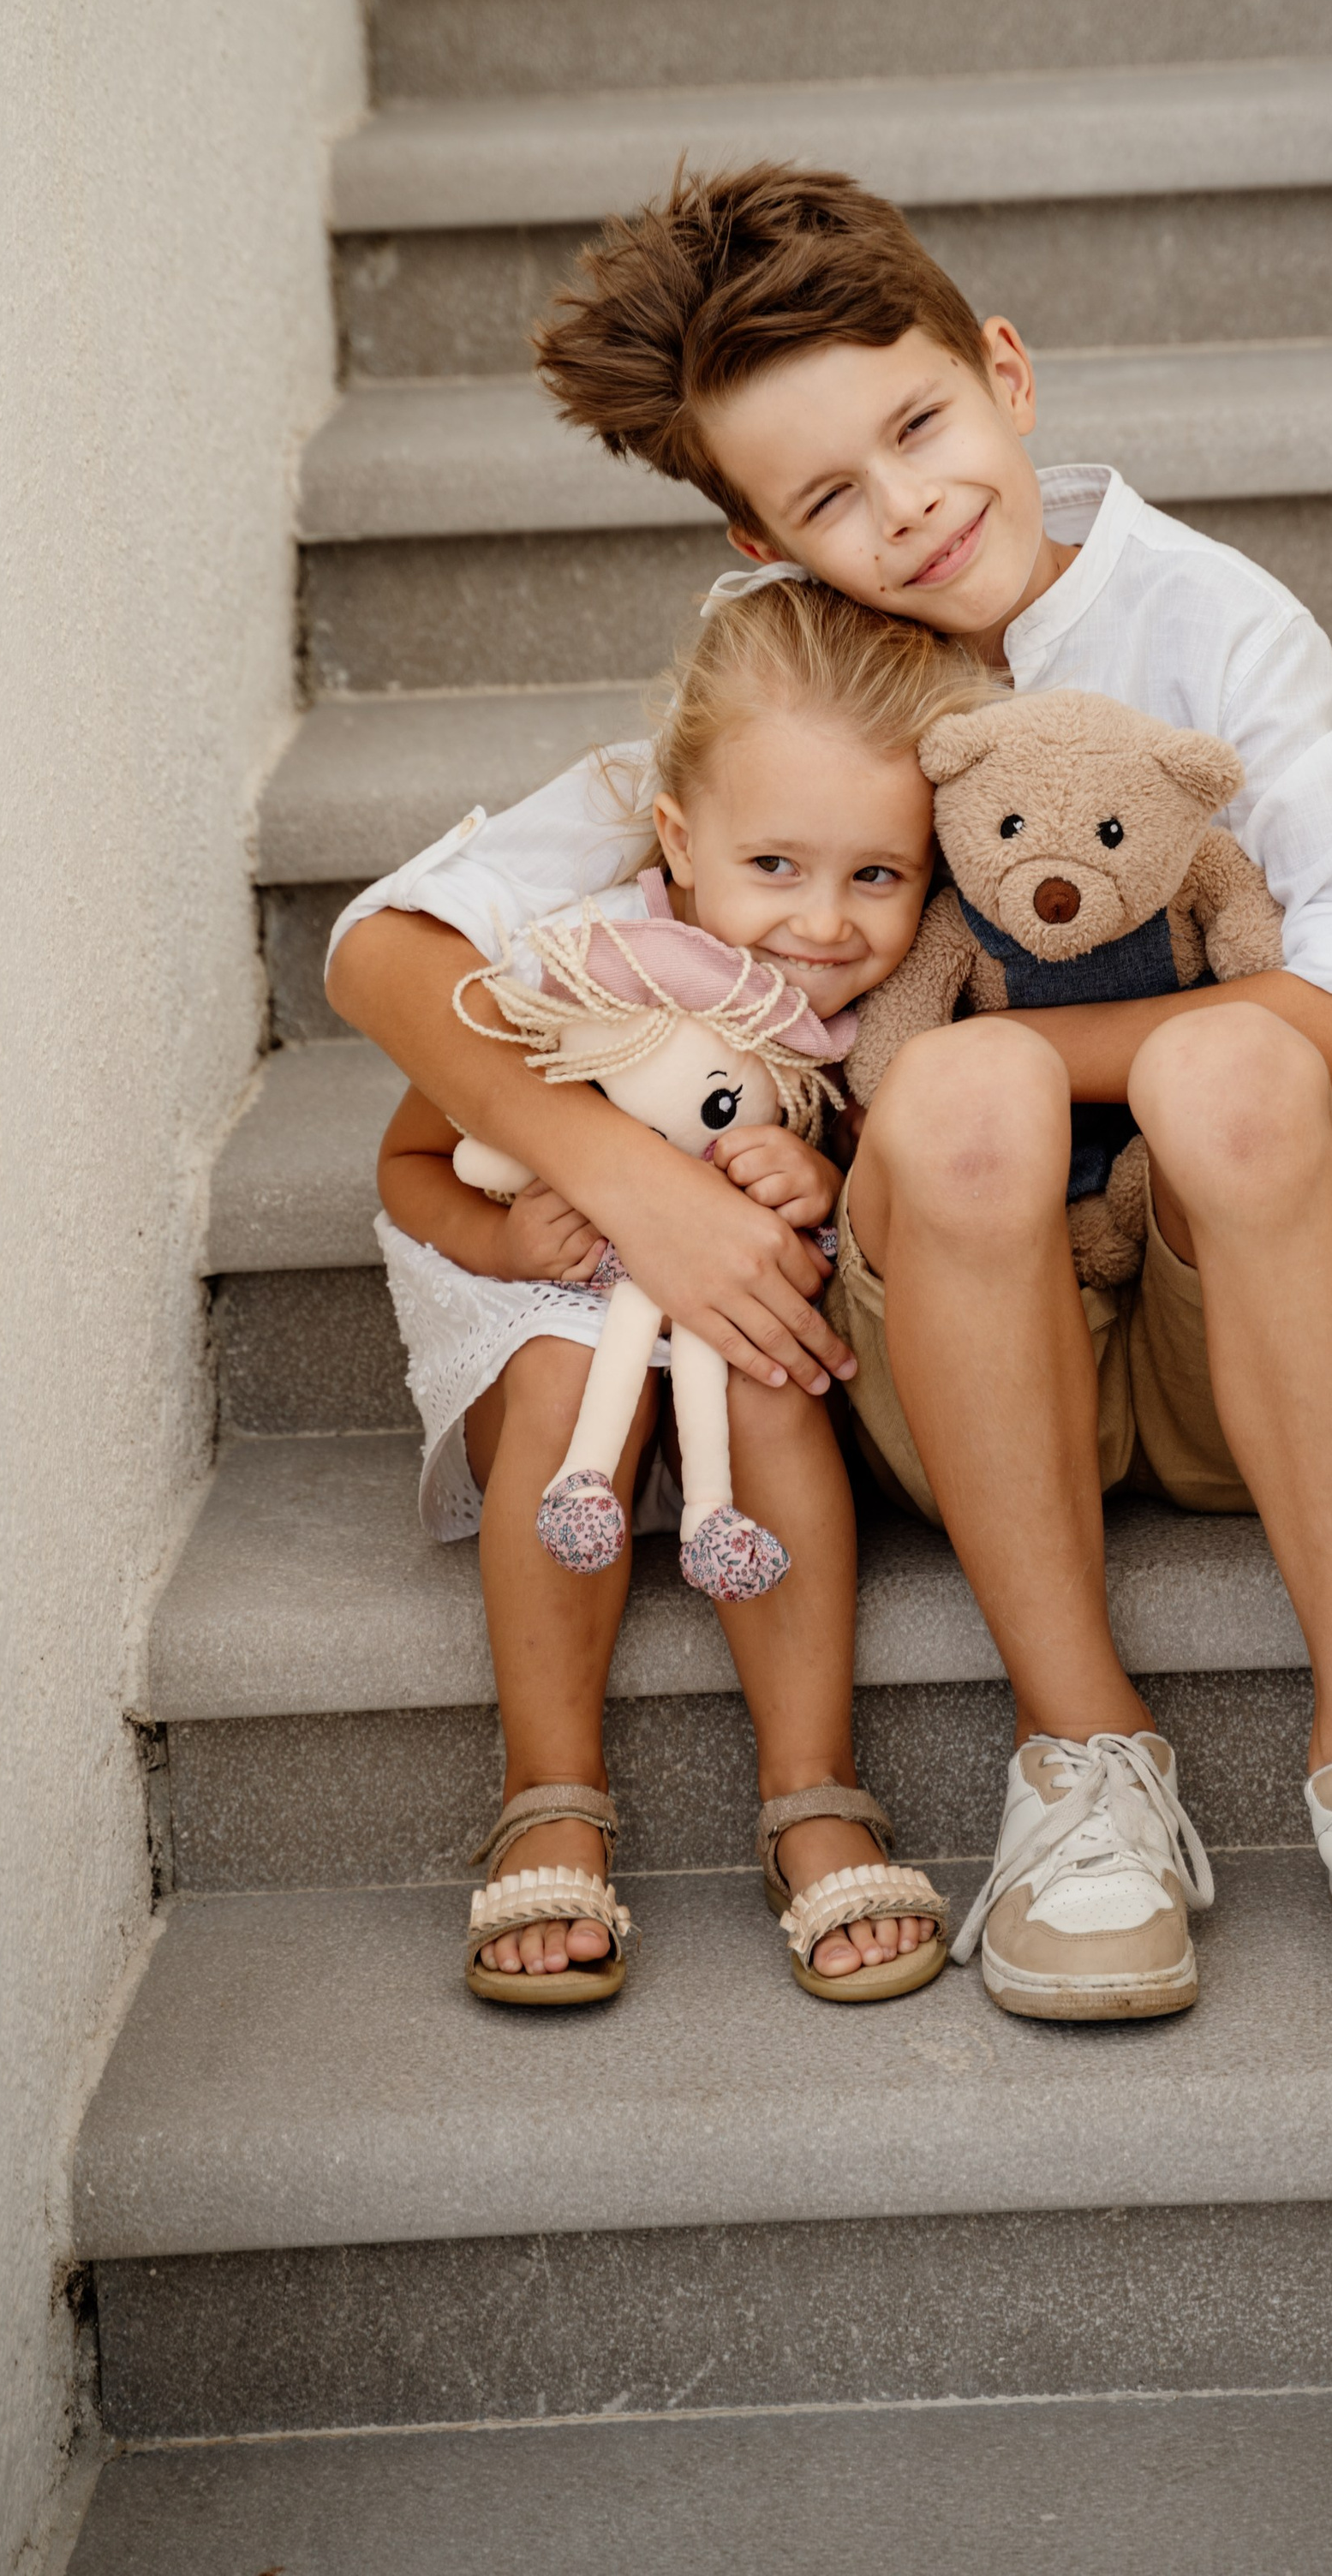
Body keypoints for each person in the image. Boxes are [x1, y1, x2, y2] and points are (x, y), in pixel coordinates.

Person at [330, 163, 1332, 2037]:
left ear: (1004, 373)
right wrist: (629, 1189)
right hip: (968, 1361)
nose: (902, 511)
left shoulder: (1206, 624)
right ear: (755, 542)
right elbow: (379, 954)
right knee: (971, 1112)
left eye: (917, 427)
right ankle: (1082, 1762)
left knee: (1226, 1050)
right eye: (825, 495)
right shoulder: (812, 686)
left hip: (1256, 1307)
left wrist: (966, 1050)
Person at [357, 578, 983, 2005]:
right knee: (565, 1375)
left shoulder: (894, 1009)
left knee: (768, 1373)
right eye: (776, 866)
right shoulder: (567, 966)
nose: (823, 924)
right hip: (547, 1317)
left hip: (736, 1350)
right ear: (681, 838)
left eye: (877, 877)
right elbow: (408, 1165)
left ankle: (812, 1787)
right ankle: (550, 1789)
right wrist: (504, 1240)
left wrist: (827, 1183)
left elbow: (895, 1173)